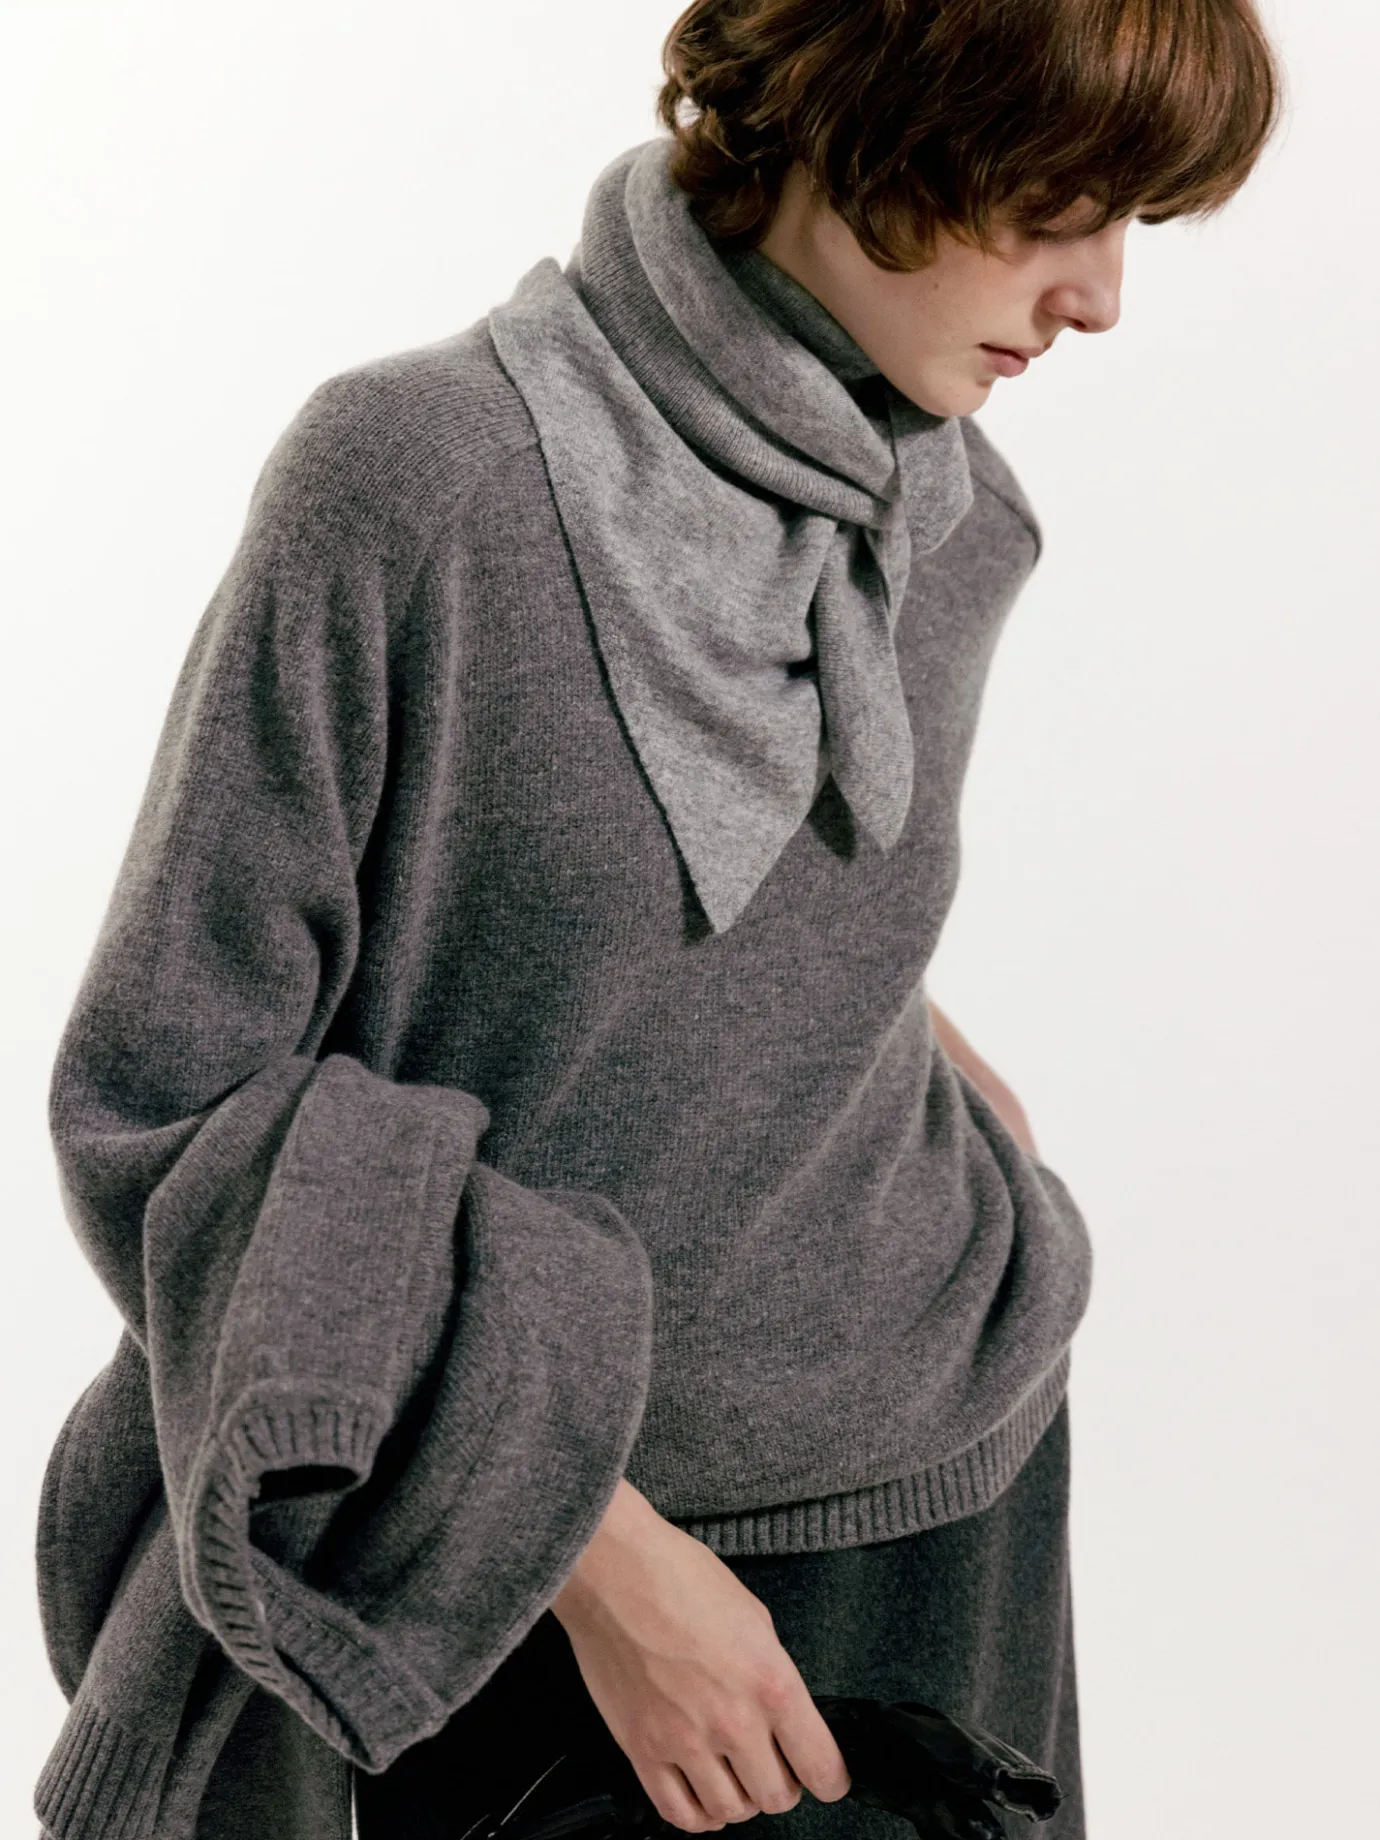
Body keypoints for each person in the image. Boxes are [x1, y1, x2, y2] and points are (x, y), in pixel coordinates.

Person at [34, 4, 1281, 1839]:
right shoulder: (421, 478)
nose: (1099, 299)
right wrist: (594, 1558)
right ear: (874, 124)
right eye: (1056, 209)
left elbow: (714, 914)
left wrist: (920, 1050)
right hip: (506, 1563)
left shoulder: (959, 510)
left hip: (952, 1479)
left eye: (1131, 226)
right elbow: (165, 1095)